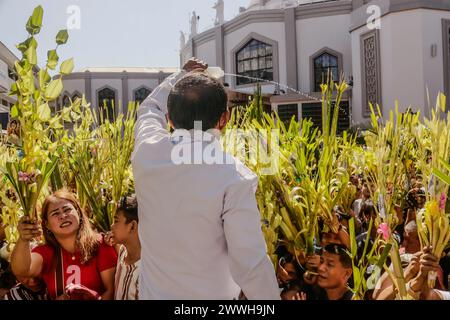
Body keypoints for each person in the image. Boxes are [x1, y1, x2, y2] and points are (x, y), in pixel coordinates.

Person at [132, 58, 280, 299]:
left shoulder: (146, 154)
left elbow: (149, 109)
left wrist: (182, 74)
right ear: (225, 119)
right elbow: (251, 265)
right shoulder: (234, 177)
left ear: (169, 119)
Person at [10, 190, 117, 300]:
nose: (63, 216)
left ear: (78, 213)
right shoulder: (45, 252)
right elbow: (22, 270)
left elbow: (112, 291)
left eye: (67, 209)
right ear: (47, 225)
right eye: (55, 213)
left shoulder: (101, 244)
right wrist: (23, 239)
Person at [111, 196, 140, 300]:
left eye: (116, 221)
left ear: (132, 226)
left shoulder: (145, 272)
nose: (111, 226)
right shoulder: (123, 251)